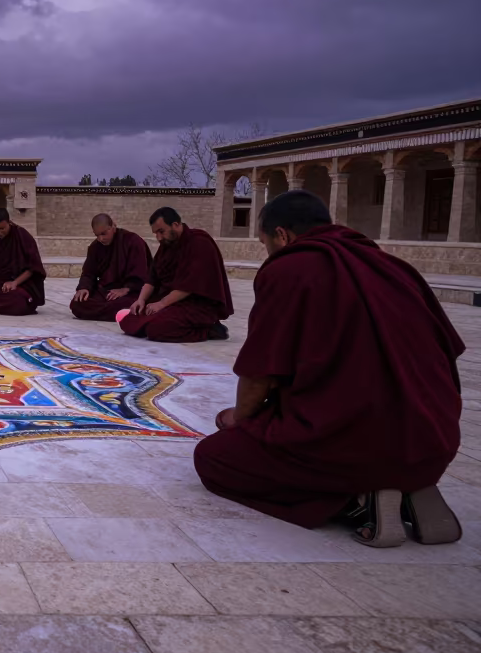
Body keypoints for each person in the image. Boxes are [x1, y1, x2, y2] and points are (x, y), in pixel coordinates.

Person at [195, 191, 464, 547]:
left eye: (264, 243)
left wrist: (240, 419)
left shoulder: (291, 268)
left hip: (352, 443)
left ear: (282, 235)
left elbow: (260, 373)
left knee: (214, 457)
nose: (268, 253)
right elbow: (449, 350)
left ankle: (359, 500)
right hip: (433, 442)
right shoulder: (392, 266)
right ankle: (410, 488)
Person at [118, 207, 233, 342]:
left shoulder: (200, 242)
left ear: (176, 225)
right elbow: (152, 278)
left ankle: (209, 329)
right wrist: (141, 300)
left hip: (197, 304)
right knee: (129, 322)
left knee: (156, 329)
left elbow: (189, 285)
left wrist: (161, 304)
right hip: (172, 301)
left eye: (161, 231)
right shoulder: (167, 244)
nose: (159, 237)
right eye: (156, 233)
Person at [71, 214, 153, 321]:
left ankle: (120, 311)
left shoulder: (133, 241)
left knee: (130, 302)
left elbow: (142, 274)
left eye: (104, 234)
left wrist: (125, 289)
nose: (101, 239)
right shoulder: (95, 247)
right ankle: (121, 313)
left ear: (113, 227)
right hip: (107, 292)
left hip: (130, 292)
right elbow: (89, 273)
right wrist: (84, 287)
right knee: (77, 303)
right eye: (97, 235)